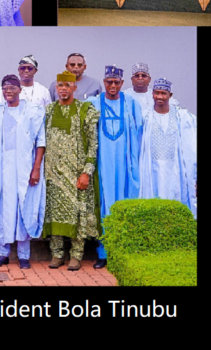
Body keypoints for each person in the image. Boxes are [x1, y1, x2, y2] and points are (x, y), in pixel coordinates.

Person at [0, 75, 46, 269]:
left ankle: (24, 255)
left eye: (12, 87)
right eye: (5, 88)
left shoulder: (32, 111)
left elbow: (40, 142)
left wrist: (35, 169)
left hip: (25, 168)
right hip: (2, 169)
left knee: (23, 208)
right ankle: (3, 254)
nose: (8, 91)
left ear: (20, 90)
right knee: (3, 209)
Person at [42, 71, 100, 271]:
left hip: (77, 174)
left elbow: (93, 144)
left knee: (78, 214)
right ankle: (57, 254)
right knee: (53, 213)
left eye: (68, 85)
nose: (63, 89)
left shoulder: (86, 110)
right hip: (53, 175)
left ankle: (76, 255)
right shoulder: (48, 111)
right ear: (56, 88)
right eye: (60, 85)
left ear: (75, 87)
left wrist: (87, 171)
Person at [88, 65, 143, 269]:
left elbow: (139, 133)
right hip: (103, 165)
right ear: (104, 83)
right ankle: (103, 253)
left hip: (126, 164)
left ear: (122, 83)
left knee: (125, 203)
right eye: (109, 82)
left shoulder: (131, 104)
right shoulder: (93, 103)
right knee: (104, 204)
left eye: (116, 82)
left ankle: (124, 250)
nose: (112, 85)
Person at [139, 78, 197, 218]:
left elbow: (192, 148)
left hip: (175, 171)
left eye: (163, 93)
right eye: (157, 93)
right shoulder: (145, 117)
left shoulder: (182, 117)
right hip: (151, 170)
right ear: (152, 94)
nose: (160, 97)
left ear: (170, 95)